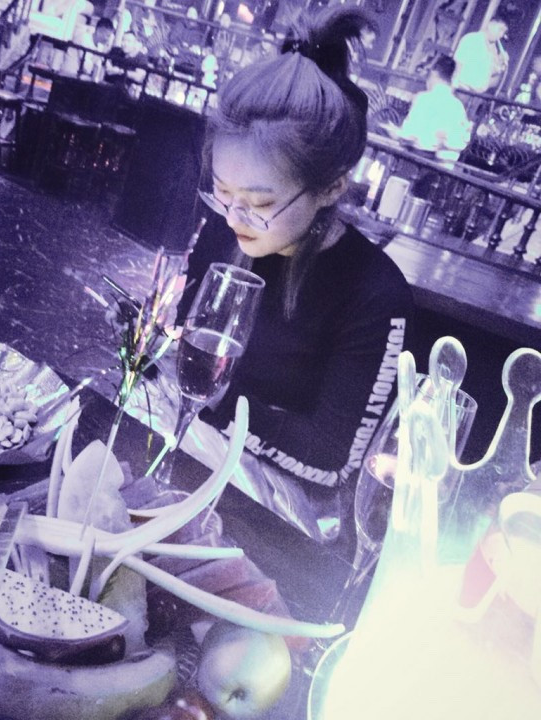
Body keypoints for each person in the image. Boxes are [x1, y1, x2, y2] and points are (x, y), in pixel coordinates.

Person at [176, 7, 414, 514]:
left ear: (332, 187)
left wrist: (215, 400)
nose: (233, 217)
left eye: (259, 203)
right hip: (189, 452)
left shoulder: (375, 295)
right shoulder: (225, 232)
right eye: (222, 192)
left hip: (272, 509)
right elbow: (181, 349)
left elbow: (332, 462)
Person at [381, 54, 471, 163]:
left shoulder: (424, 99)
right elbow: (461, 140)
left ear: (434, 73)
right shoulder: (457, 106)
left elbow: (410, 133)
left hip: (416, 159)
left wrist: (396, 132)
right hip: (442, 165)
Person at [453, 13, 509, 94]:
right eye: (500, 29)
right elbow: (458, 63)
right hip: (462, 89)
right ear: (490, 24)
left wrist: (500, 64)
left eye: (504, 32)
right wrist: (453, 87)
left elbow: (490, 73)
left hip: (477, 94)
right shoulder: (472, 39)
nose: (501, 35)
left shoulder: (493, 49)